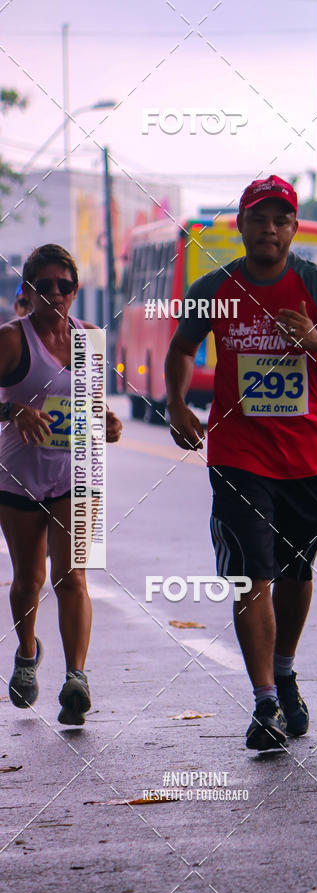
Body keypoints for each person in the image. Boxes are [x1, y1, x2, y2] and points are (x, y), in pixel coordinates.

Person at [165, 175, 317, 751]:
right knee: (249, 572)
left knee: (295, 572)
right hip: (238, 454)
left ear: (292, 228)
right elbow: (182, 348)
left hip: (307, 456)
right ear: (241, 225)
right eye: (259, 218)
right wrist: (178, 402)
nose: (270, 229)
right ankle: (263, 704)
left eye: (281, 220)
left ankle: (284, 671)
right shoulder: (215, 287)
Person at [0, 244, 122, 725]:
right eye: (44, 285)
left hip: (77, 474)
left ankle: (76, 677)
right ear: (28, 290)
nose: (55, 293)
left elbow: (91, 404)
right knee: (28, 580)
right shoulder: (12, 340)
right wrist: (13, 410)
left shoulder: (89, 338)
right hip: (19, 476)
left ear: (75, 291)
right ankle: (27, 653)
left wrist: (107, 421)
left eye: (64, 285)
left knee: (72, 577)